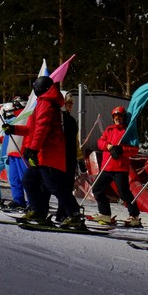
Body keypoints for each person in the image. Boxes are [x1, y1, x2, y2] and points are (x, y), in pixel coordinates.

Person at [3, 76, 85, 229]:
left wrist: (33, 149)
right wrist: (13, 129)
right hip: (42, 153)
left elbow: (42, 128)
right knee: (29, 180)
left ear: (40, 88)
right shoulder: (43, 102)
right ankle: (38, 211)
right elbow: (32, 129)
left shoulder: (46, 103)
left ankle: (74, 214)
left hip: (49, 153)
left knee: (54, 185)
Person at [89, 105, 141, 226]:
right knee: (97, 188)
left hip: (120, 168)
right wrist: (108, 146)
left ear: (124, 117)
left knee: (123, 193)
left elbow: (134, 149)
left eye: (120, 116)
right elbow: (100, 141)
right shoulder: (109, 129)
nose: (118, 118)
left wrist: (122, 150)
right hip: (107, 167)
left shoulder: (128, 131)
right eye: (115, 116)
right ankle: (105, 213)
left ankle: (134, 215)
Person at [56, 91, 87, 222]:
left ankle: (62, 214)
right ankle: (40, 209)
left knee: (68, 187)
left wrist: (80, 159)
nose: (70, 105)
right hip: (59, 158)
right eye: (67, 103)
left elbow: (76, 142)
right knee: (58, 187)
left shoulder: (72, 120)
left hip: (70, 158)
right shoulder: (58, 118)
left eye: (71, 103)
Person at [2, 96, 29, 211]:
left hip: (22, 151)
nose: (14, 107)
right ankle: (18, 200)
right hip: (12, 151)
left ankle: (32, 202)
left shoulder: (27, 115)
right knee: (14, 179)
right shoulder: (15, 117)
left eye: (16, 105)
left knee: (26, 179)